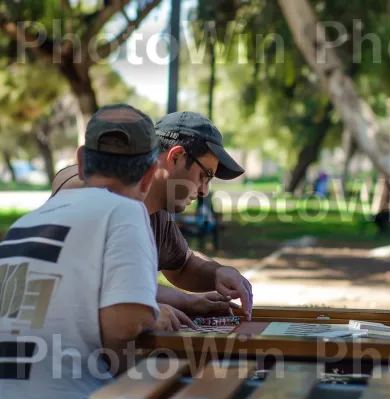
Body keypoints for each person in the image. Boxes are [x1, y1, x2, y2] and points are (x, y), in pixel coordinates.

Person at [0, 104, 164, 399]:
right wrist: (151, 314)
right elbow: (126, 322)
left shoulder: (25, 222)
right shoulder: (125, 210)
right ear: (151, 174)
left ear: (81, 161)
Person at [51, 111, 253, 326]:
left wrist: (218, 273)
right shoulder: (96, 191)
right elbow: (100, 284)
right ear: (175, 157)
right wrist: (181, 302)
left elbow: (183, 266)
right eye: (204, 176)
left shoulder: (159, 215)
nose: (204, 191)